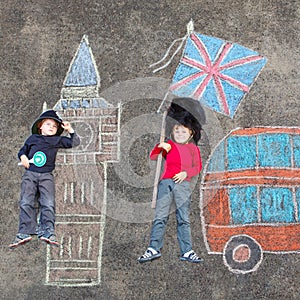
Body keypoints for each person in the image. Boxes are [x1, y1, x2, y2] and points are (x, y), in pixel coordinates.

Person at [138, 97, 205, 263]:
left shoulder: (192, 149)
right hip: (165, 183)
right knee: (160, 216)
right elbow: (154, 157)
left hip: (183, 185)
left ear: (191, 133)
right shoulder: (169, 144)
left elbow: (197, 167)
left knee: (183, 218)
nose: (180, 134)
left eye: (183, 131)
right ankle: (153, 248)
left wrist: (185, 173)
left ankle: (187, 251)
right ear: (172, 131)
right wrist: (160, 147)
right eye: (177, 130)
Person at [9, 110, 80, 248]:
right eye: (48, 124)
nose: (52, 127)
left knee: (47, 202)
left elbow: (74, 142)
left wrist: (69, 129)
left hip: (46, 175)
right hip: (30, 174)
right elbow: (23, 151)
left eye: (55, 126)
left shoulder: (56, 140)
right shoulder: (32, 139)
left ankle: (47, 230)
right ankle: (25, 231)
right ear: (40, 126)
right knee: (26, 201)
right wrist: (23, 157)